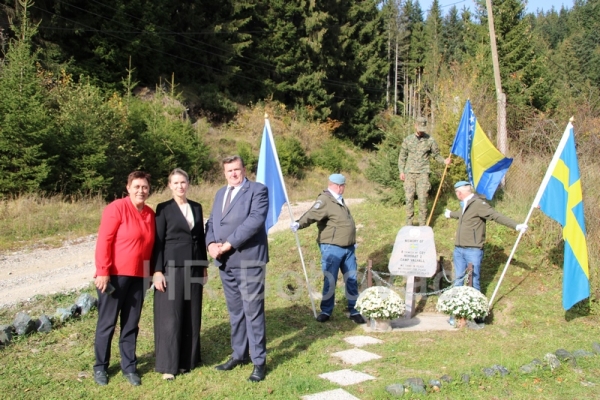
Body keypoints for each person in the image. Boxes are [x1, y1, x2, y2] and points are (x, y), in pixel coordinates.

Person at [205, 155, 269, 382]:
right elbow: (212, 222)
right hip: (225, 261)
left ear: (243, 169)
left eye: (236, 169)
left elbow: (255, 221)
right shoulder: (221, 193)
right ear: (224, 173)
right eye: (229, 170)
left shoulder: (257, 190)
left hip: (249, 259)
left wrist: (229, 243)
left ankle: (259, 361)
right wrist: (211, 244)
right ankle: (239, 354)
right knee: (236, 311)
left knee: (253, 310)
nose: (233, 173)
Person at [93, 171, 155, 387]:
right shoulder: (116, 208)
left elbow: (151, 247)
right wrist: (103, 271)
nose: (141, 190)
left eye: (145, 187)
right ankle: (101, 367)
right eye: (137, 186)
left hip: (139, 277)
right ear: (128, 187)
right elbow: (104, 240)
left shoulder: (150, 213)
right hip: (115, 277)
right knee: (107, 323)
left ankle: (129, 366)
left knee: (131, 324)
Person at [152, 168, 208, 381]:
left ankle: (188, 360)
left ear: (188, 183)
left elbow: (200, 238)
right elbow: (157, 242)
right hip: (171, 267)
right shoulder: (163, 209)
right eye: (175, 183)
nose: (180, 186)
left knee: (192, 312)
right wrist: (157, 271)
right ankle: (169, 365)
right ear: (170, 185)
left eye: (183, 182)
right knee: (170, 316)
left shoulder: (196, 207)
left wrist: (203, 266)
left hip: (194, 266)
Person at [290, 173, 366, 324]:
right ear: (338, 186)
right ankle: (326, 310)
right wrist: (299, 223)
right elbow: (312, 214)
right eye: (343, 186)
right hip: (332, 248)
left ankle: (354, 310)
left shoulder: (339, 200)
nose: (344, 188)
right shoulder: (325, 200)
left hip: (348, 248)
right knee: (330, 279)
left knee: (351, 278)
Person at [445, 181, 528, 292]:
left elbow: (495, 216)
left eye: (456, 192)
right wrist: (450, 214)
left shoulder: (478, 204)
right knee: (458, 280)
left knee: (473, 282)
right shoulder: (466, 204)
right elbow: (462, 215)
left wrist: (516, 225)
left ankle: (476, 306)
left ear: (459, 193)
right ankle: (456, 305)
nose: (456, 194)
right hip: (459, 249)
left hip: (472, 249)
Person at [398, 116, 451, 226]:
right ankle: (409, 224)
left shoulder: (430, 140)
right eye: (419, 129)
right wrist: (401, 171)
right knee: (409, 199)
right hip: (409, 174)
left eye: (423, 129)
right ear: (415, 126)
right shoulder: (408, 140)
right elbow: (402, 157)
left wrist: (444, 161)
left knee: (423, 199)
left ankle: (422, 225)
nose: (421, 132)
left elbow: (436, 155)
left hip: (423, 174)